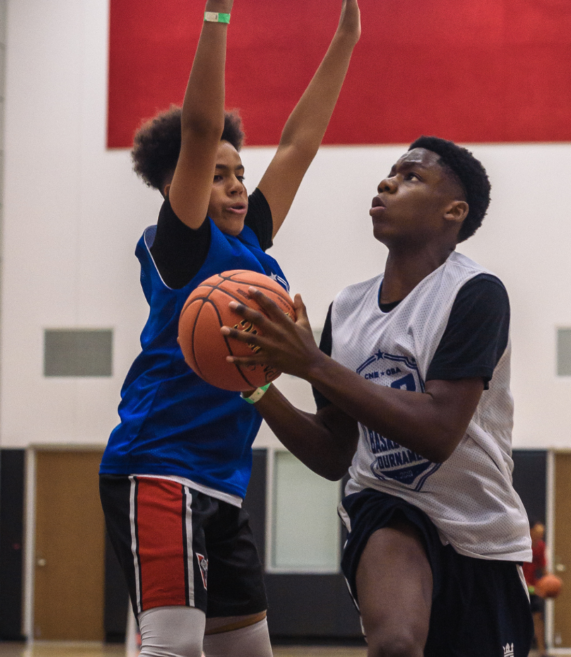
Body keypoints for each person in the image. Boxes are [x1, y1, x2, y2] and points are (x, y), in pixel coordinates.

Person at [98, 2, 361, 656]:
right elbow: (199, 127)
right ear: (181, 186)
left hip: (222, 478)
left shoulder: (256, 245)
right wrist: (218, 14)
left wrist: (347, 37)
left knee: (248, 652)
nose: (238, 186)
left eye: (240, 173)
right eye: (218, 176)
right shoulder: (182, 243)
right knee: (173, 646)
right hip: (159, 465)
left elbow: (300, 143)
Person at [221, 137, 534, 656]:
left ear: (453, 211)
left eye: (411, 177)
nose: (387, 182)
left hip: (479, 524)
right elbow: (332, 452)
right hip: (386, 502)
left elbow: (438, 432)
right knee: (395, 644)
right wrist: (255, 387)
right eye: (390, 172)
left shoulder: (476, 293)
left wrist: (313, 365)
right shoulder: (346, 309)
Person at [522, 520, 547, 655]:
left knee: (538, 618)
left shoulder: (540, 546)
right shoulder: (522, 546)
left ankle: (542, 651)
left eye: (542, 534)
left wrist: (549, 581)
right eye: (538, 533)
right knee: (519, 619)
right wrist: (533, 589)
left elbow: (542, 568)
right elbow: (518, 574)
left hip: (533, 588)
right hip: (520, 588)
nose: (540, 537)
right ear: (530, 532)